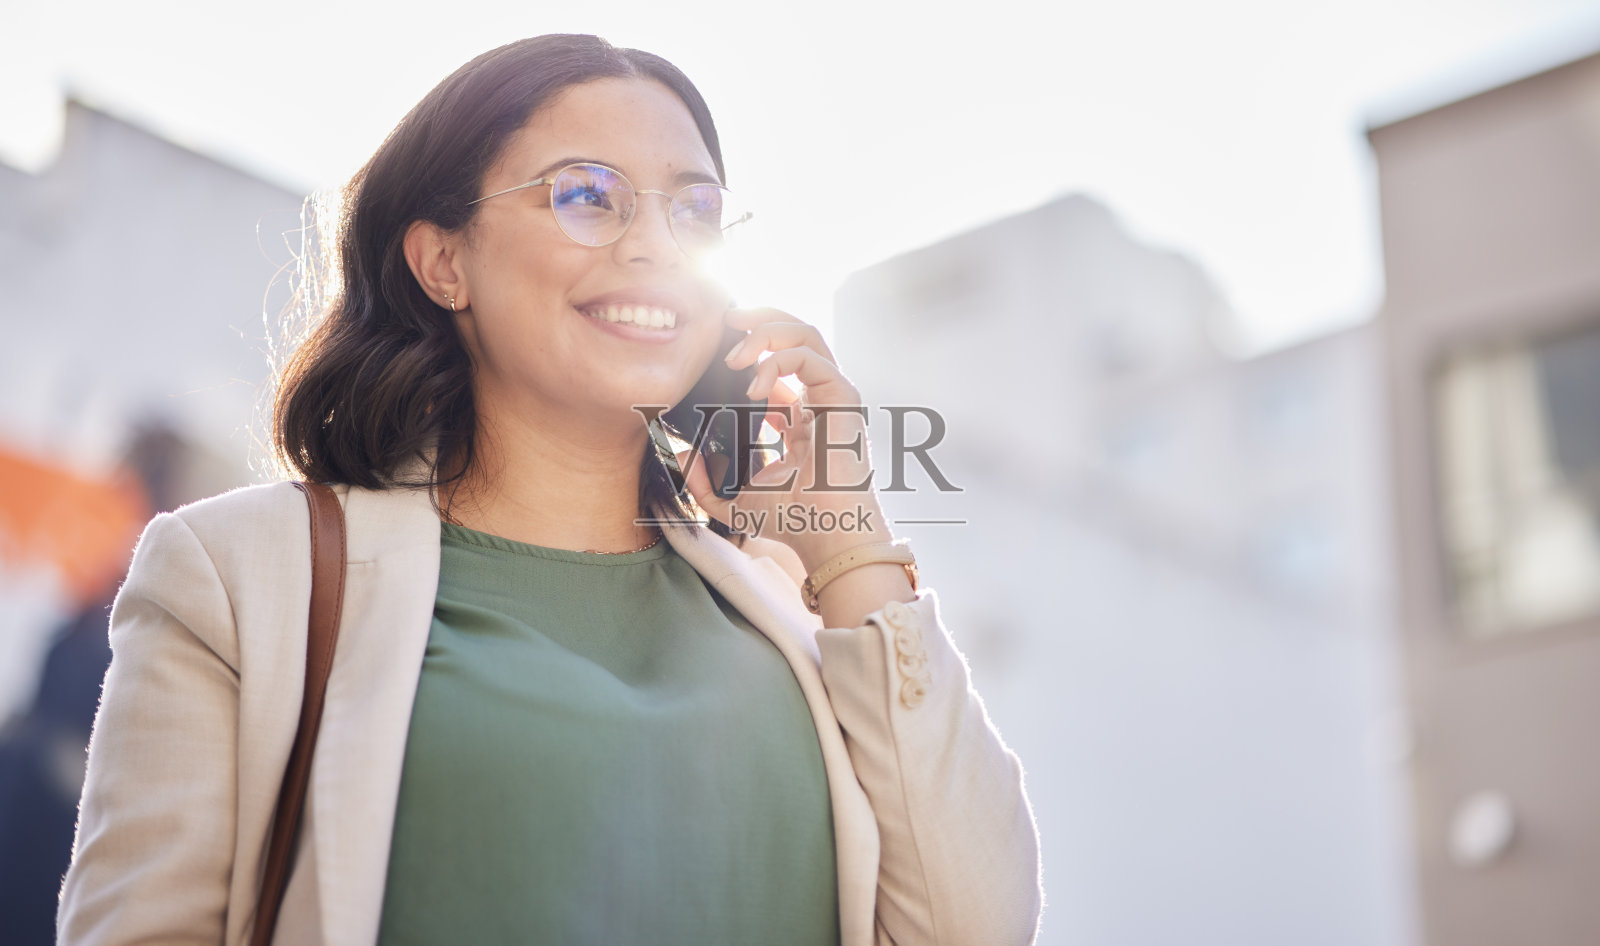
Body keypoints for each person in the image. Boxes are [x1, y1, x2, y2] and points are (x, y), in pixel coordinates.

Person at [56, 34, 1041, 946]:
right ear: (444, 261)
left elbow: (978, 927)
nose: (657, 245)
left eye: (694, 209)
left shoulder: (791, 607)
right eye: (588, 195)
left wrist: (846, 536)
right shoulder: (237, 577)